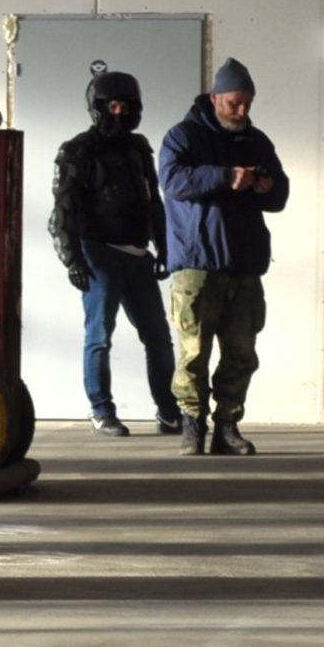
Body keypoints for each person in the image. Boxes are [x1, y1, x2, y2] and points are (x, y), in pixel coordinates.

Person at [159, 57, 288, 456]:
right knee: (193, 353)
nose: (242, 111)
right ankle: (192, 425)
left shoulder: (257, 141)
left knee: (241, 354)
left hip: (245, 266)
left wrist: (266, 187)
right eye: (234, 103)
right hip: (197, 265)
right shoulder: (183, 137)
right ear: (214, 98)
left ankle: (227, 426)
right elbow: (172, 181)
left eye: (248, 103)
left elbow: (280, 196)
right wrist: (224, 175)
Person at [50, 61, 183, 438]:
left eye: (125, 105)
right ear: (98, 107)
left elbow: (152, 199)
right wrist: (73, 259)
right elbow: (63, 208)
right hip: (98, 252)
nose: (119, 113)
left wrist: (164, 246)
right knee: (99, 336)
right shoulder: (77, 150)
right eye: (112, 105)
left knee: (158, 336)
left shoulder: (139, 148)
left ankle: (169, 411)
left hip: (138, 254)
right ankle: (101, 410)